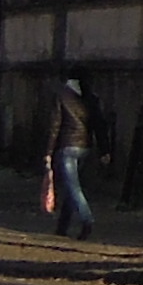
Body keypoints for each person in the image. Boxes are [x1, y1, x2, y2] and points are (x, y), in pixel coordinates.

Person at [47, 79, 96, 239]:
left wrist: (49, 150)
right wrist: (105, 149)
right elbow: (98, 123)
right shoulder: (89, 97)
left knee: (73, 187)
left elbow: (55, 124)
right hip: (85, 146)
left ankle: (87, 219)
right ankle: (62, 226)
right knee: (71, 188)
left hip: (67, 145)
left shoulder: (62, 96)